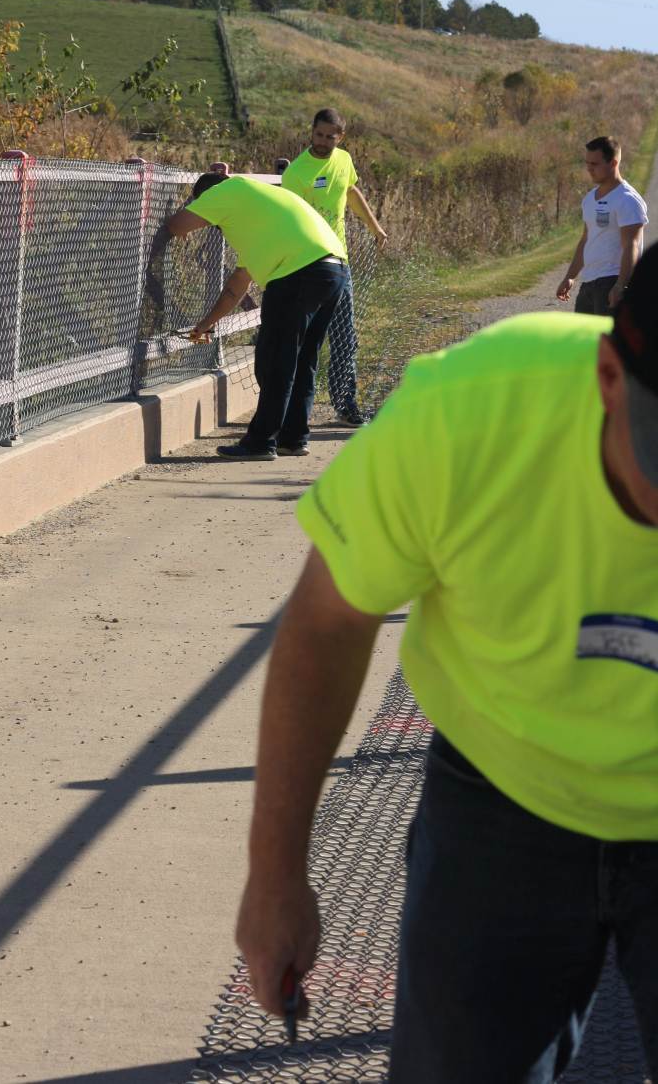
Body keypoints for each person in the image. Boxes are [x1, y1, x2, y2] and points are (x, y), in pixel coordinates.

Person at [235, 244, 658, 1081]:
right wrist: (276, 875)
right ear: (609, 376)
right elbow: (326, 622)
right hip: (503, 800)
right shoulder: (473, 411)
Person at [166, 172, 350, 461]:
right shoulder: (260, 208)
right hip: (333, 269)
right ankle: (293, 438)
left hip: (296, 274)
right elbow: (235, 288)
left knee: (275, 360)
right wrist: (206, 324)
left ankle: (260, 442)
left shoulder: (226, 190)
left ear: (206, 196)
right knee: (303, 360)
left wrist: (190, 218)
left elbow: (177, 226)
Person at [281, 108, 386, 425]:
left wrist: (375, 228)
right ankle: (292, 407)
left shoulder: (344, 160)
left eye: (330, 137)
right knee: (303, 339)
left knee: (344, 335)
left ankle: (345, 402)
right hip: (305, 265)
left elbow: (351, 192)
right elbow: (288, 220)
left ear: (341, 137)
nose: (323, 142)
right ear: (310, 131)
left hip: (339, 262)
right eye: (319, 135)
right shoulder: (296, 174)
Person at [557, 134, 647, 314]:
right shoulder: (590, 199)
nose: (589, 169)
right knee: (585, 341)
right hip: (589, 283)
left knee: (610, 341)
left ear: (613, 163)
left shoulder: (627, 199)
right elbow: (585, 241)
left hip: (612, 283)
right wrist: (570, 277)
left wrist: (621, 286)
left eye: (595, 164)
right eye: (587, 163)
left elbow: (632, 245)